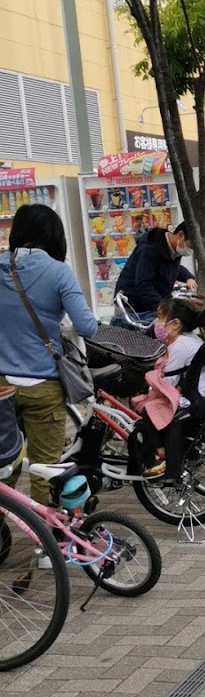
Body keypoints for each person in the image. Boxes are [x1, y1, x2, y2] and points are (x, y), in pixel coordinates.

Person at [0, 204, 98, 504]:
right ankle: (46, 549)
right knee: (46, 471)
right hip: (44, 385)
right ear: (54, 236)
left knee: (5, 469)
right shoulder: (58, 272)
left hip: (2, 387)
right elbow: (86, 327)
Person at [132, 296, 205, 478]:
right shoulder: (191, 339)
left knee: (149, 411)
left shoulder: (179, 346)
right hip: (200, 392)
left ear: (175, 324)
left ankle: (160, 456)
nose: (156, 323)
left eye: (160, 317)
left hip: (190, 398)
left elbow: (169, 383)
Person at [113, 220, 197, 323]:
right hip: (133, 309)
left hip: (152, 305)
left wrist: (188, 277)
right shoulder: (149, 249)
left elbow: (173, 268)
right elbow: (143, 284)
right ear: (180, 235)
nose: (191, 251)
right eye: (191, 246)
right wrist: (165, 306)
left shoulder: (173, 249)